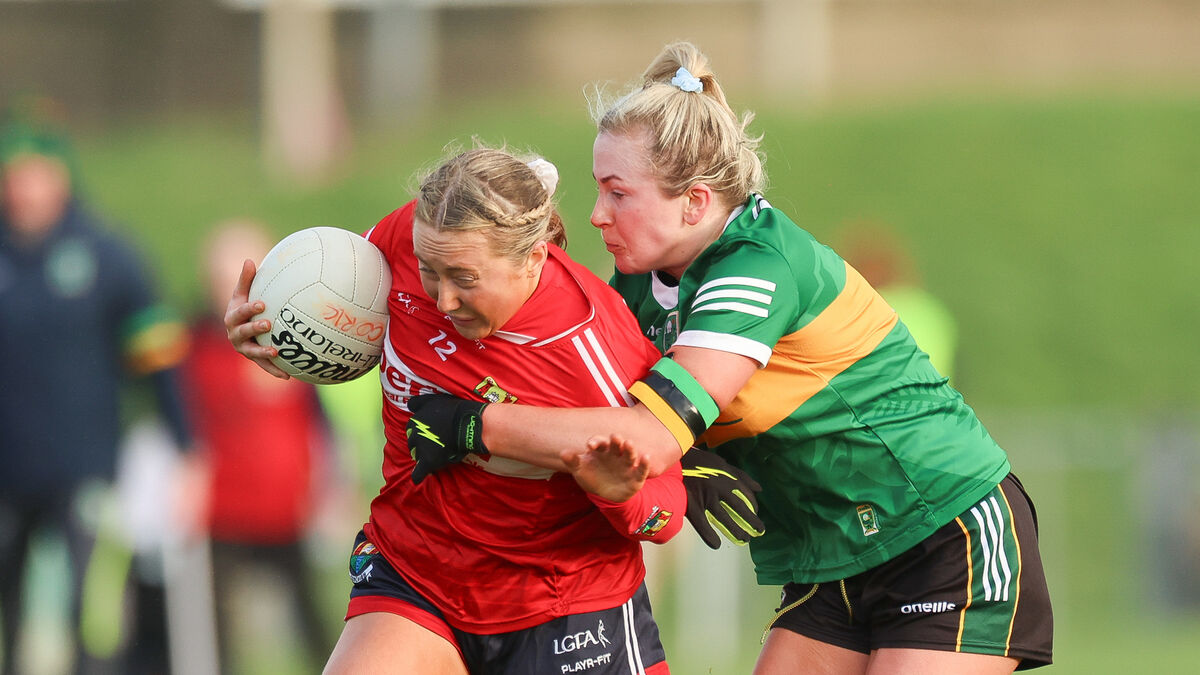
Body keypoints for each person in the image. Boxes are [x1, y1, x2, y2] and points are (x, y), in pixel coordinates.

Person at [404, 43, 1054, 673]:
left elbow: (648, 435)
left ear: (695, 201)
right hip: (834, 554)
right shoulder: (640, 282)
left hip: (941, 531)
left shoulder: (756, 265)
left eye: (618, 193)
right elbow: (596, 406)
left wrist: (473, 425)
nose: (598, 215)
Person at [223, 147, 712, 674]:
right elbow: (339, 297)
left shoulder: (591, 347)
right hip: (416, 571)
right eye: (430, 272)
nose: (444, 300)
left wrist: (621, 494)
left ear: (534, 258)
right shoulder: (413, 239)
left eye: (465, 278)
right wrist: (275, 329)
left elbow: (665, 514)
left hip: (560, 606)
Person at [0, 107, 191, 674]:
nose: (23, 190)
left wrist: (187, 448)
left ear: (60, 177)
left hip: (85, 468)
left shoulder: (107, 253)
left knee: (92, 610)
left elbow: (159, 356)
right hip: (7, 471)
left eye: (34, 175)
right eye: (12, 177)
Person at [181, 219, 337, 672]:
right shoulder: (193, 345)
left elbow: (318, 424)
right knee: (217, 631)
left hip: (286, 508)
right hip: (222, 512)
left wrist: (330, 487)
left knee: (313, 620)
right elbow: (181, 427)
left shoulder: (295, 339)